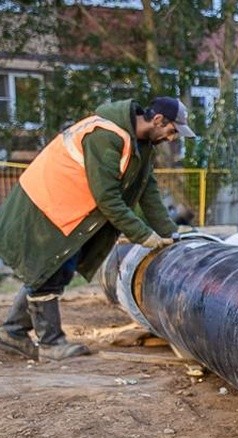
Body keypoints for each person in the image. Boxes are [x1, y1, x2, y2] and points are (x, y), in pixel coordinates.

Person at [0, 96, 194, 361]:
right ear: (158, 120)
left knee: (54, 271)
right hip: (44, 208)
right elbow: (107, 199)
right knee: (50, 272)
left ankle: (12, 332)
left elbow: (147, 192)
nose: (172, 138)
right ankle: (50, 343)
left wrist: (169, 233)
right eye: (172, 131)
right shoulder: (105, 135)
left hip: (68, 211)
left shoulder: (143, 145)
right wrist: (143, 235)